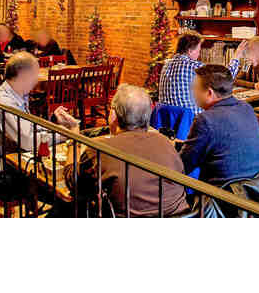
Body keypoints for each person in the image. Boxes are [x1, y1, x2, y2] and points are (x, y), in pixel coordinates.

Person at [58, 84, 188, 217]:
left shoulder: (99, 150)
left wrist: (73, 137)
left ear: (113, 114)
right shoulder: (166, 142)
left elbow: (73, 182)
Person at [180, 64, 259, 187]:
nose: (192, 92)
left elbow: (183, 166)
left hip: (223, 195)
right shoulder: (246, 108)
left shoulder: (205, 120)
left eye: (195, 88)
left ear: (209, 93)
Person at [0, 52, 76, 156]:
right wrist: (65, 135)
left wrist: (55, 123)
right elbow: (28, 141)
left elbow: (28, 127)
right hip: (2, 160)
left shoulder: (17, 93)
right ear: (24, 76)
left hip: (13, 151)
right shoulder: (5, 102)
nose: (37, 79)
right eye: (35, 74)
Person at [159, 31, 247, 115]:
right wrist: (237, 55)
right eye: (198, 50)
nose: (199, 54)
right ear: (190, 51)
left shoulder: (166, 64)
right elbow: (226, 77)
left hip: (167, 121)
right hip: (192, 120)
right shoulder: (193, 66)